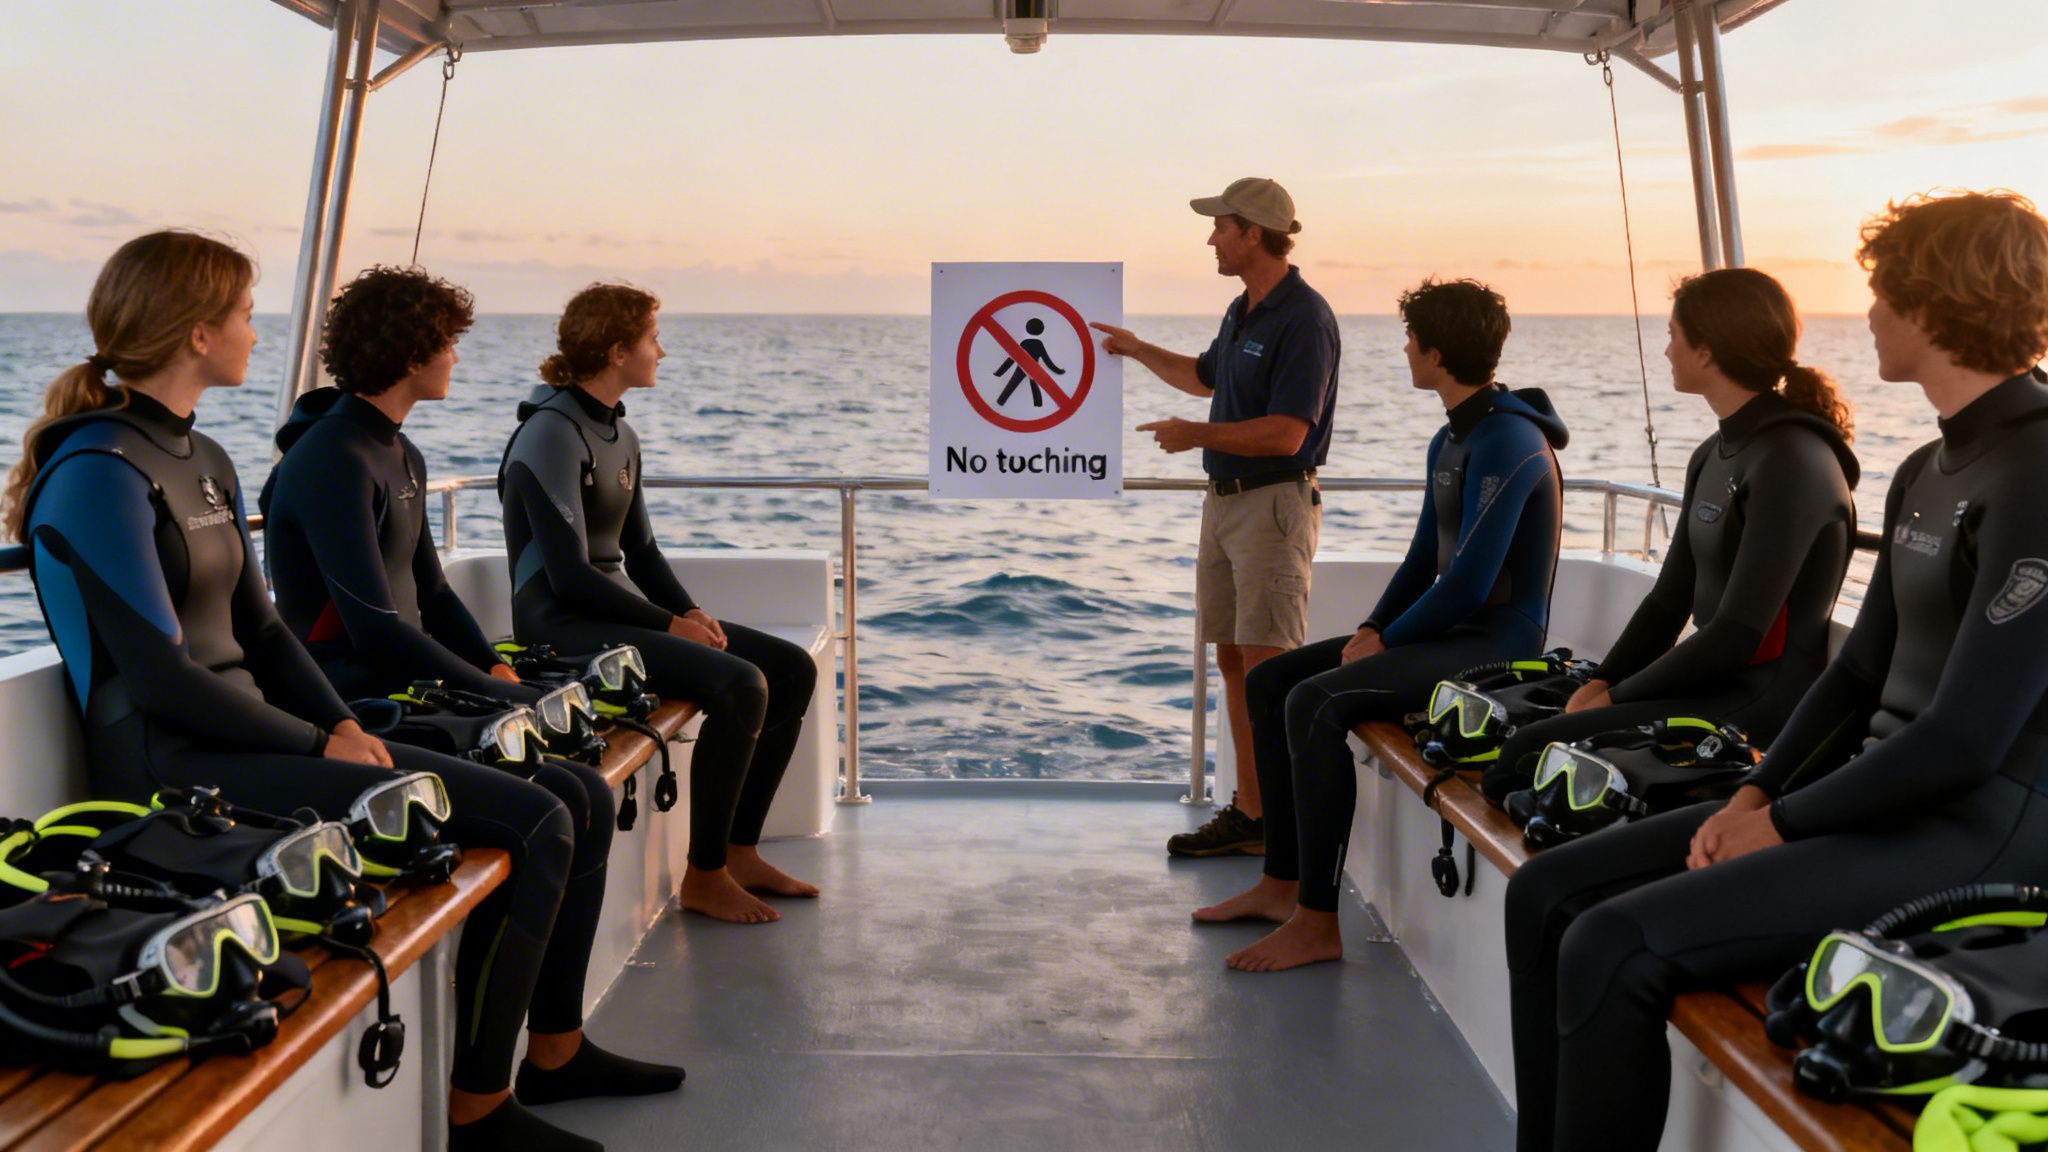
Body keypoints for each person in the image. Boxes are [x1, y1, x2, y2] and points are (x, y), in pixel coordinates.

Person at [5, 233, 681, 1152]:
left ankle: (549, 1055)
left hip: (259, 738)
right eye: (246, 314)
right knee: (540, 818)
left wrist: (332, 722)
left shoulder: (202, 456)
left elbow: (269, 633)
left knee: (565, 794)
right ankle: (480, 1111)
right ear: (197, 331)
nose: (257, 331)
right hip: (173, 764)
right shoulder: (96, 472)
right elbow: (164, 678)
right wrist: (320, 742)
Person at [1504, 190, 2048, 1152]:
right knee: (1546, 894)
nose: (1868, 313)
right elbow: (1854, 679)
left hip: (1982, 827)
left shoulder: (2038, 469)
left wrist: (1785, 822)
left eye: (1882, 293)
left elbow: (1968, 737)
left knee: (1612, 942)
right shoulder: (1928, 466)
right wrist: (1755, 793)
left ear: (1934, 304)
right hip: (1876, 799)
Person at [1198, 278, 1567, 972]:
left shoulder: (1510, 440)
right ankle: (1280, 884)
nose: (1404, 350)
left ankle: (1316, 920)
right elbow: (1422, 559)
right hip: (1448, 634)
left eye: (1410, 339)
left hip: (1497, 645)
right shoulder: (1452, 438)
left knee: (1315, 701)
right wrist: (1373, 625)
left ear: (1435, 351)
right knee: (1272, 679)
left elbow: (1470, 583)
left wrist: (1385, 642)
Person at [498, 283, 818, 925]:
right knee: (741, 685)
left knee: (791, 669)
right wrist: (669, 623)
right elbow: (568, 577)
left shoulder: (620, 434)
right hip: (565, 626)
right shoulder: (552, 434)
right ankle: (704, 877)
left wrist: (691, 613)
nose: (661, 352)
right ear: (617, 350)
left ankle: (739, 849)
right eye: (652, 340)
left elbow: (640, 552)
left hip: (617, 617)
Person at [1484, 267, 1860, 804]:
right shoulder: (1715, 451)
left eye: (1672, 335)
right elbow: (1668, 599)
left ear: (1706, 351)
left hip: (1762, 697)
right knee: (1525, 749)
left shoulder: (1790, 459)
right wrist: (1604, 679)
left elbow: (1737, 633)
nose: (1666, 351)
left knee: (1528, 758)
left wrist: (1617, 699)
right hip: (1713, 681)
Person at [1091, 177, 1341, 858]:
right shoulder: (1243, 311)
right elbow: (1206, 378)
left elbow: (1290, 434)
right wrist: (1138, 349)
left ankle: (1283, 833)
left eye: (1220, 227)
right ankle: (1252, 814)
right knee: (1233, 659)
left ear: (1253, 234)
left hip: (1273, 506)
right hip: (1225, 505)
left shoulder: (1303, 318)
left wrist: (1196, 436)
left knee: (1266, 668)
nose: (1211, 238)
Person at [262, 266, 541, 704]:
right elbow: (374, 629)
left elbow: (435, 592)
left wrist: (493, 667)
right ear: (412, 356)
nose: (456, 359)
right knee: (561, 772)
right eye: (449, 345)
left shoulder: (401, 451)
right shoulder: (334, 460)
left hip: (402, 676)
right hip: (347, 694)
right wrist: (491, 691)